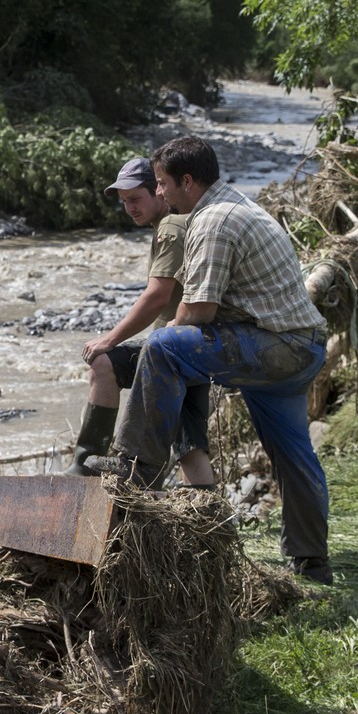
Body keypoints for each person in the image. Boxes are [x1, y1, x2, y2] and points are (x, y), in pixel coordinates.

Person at [87, 136, 332, 584]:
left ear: (186, 181)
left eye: (161, 184)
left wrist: (149, 351)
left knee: (164, 349)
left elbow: (196, 315)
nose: (158, 193)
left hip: (277, 347)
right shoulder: (237, 205)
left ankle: (132, 475)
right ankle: (312, 562)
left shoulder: (212, 222)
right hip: (300, 346)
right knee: (293, 454)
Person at [63, 157, 215, 487]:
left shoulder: (171, 228)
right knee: (188, 444)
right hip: (189, 349)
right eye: (124, 202)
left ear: (160, 192)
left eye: (135, 199)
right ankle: (207, 518)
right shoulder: (172, 225)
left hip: (172, 353)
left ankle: (84, 469)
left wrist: (110, 339)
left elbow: (157, 296)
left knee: (104, 362)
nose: (130, 208)